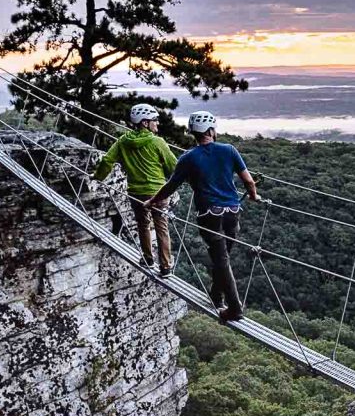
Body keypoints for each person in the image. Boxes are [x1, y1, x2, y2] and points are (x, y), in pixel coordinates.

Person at [150, 110, 261, 323]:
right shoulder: (229, 150)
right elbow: (248, 181)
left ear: (194, 133)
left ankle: (234, 308)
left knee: (221, 260)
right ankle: (218, 297)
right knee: (223, 258)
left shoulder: (188, 158)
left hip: (209, 215)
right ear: (211, 130)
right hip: (232, 212)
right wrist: (254, 196)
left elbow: (171, 186)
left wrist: (151, 201)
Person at [94, 103, 179, 276]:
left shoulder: (123, 141)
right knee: (162, 227)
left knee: (143, 224)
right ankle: (165, 267)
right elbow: (174, 167)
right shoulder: (158, 142)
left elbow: (107, 161)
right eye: (154, 120)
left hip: (136, 193)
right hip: (158, 192)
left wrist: (97, 178)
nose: (157, 123)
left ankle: (148, 258)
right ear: (145, 123)